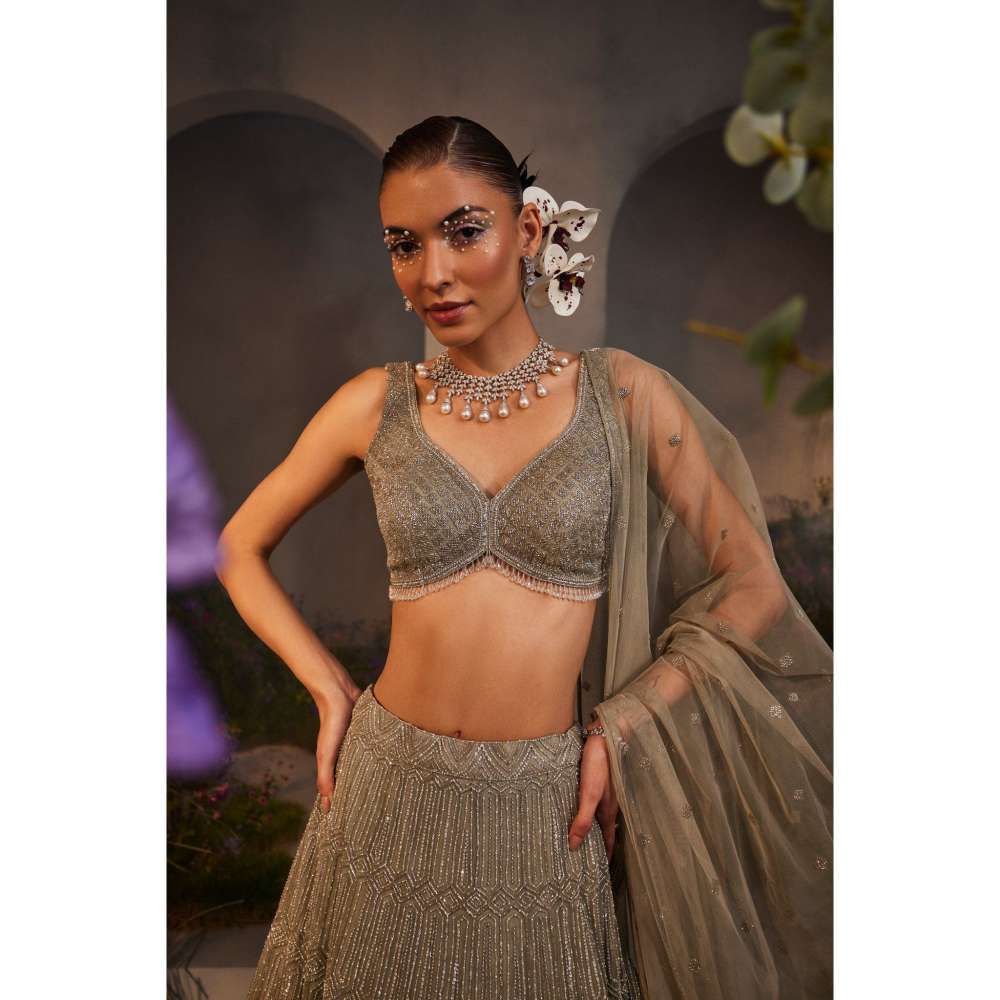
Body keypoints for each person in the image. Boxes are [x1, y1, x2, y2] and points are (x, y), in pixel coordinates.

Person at [216, 115, 832, 1000]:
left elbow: (754, 586)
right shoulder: (374, 405)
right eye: (404, 245)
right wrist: (328, 690)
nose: (433, 272)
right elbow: (238, 546)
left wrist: (623, 722)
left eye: (463, 231)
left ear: (530, 230)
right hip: (384, 791)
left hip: (547, 809)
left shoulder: (623, 394)